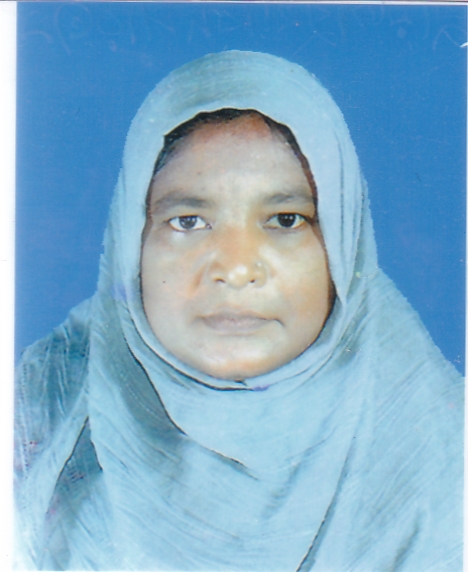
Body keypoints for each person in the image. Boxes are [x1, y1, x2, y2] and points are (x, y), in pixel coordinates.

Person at [15, 51, 463, 571]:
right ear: (130, 243)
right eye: (188, 221)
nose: (236, 267)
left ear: (343, 248)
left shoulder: (446, 455)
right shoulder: (38, 416)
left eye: (286, 219)